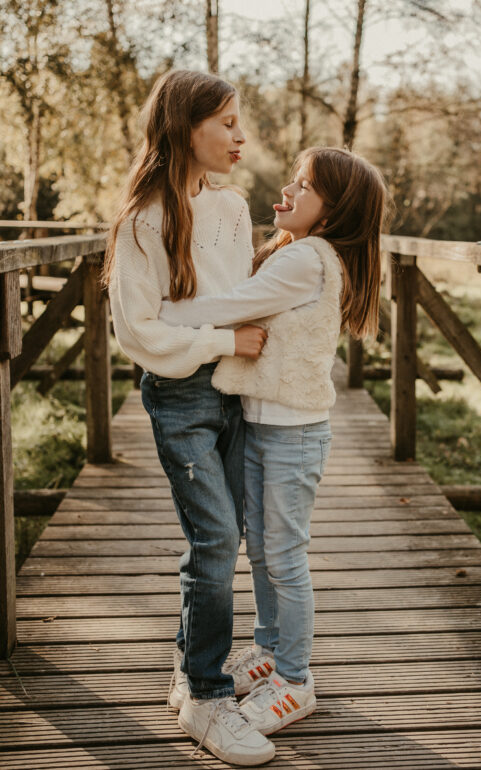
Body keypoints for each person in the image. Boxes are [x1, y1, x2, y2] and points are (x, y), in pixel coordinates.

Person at [160, 145, 387, 736]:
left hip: (293, 434)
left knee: (283, 556)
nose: (286, 191)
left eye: (303, 186)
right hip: (266, 426)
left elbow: (233, 305)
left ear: (332, 212)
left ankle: (294, 678)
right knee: (261, 548)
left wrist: (161, 315)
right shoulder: (298, 251)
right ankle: (267, 649)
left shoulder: (307, 259)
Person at [104, 69, 276, 766]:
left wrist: (225, 329)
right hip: (180, 393)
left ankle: (185, 668)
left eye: (240, 123)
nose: (241, 136)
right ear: (187, 127)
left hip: (238, 387)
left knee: (226, 533)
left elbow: (233, 298)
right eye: (228, 123)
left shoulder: (233, 209)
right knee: (212, 539)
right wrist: (215, 339)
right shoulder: (144, 220)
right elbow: (139, 333)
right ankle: (206, 697)